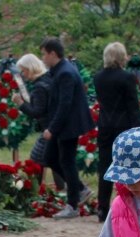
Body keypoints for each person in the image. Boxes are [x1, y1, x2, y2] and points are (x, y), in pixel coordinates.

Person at [39, 37, 95, 219]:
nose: (43, 59)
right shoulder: (60, 71)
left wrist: (52, 129)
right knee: (50, 158)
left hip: (68, 125)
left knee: (66, 161)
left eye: (44, 55)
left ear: (53, 54)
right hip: (64, 125)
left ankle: (73, 204)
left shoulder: (65, 73)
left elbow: (65, 104)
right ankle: (79, 188)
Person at [93, 42, 140, 222]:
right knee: (128, 167)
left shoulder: (98, 77)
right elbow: (132, 107)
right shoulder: (127, 78)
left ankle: (102, 207)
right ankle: (129, 205)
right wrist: (139, 130)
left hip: (105, 125)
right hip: (125, 126)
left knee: (105, 166)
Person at [12, 53, 64, 191]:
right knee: (52, 159)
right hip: (54, 127)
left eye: (23, 70)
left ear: (30, 68)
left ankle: (35, 190)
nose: (22, 74)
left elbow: (37, 112)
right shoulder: (46, 80)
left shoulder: (39, 87)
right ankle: (63, 188)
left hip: (49, 128)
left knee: (37, 158)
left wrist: (20, 103)